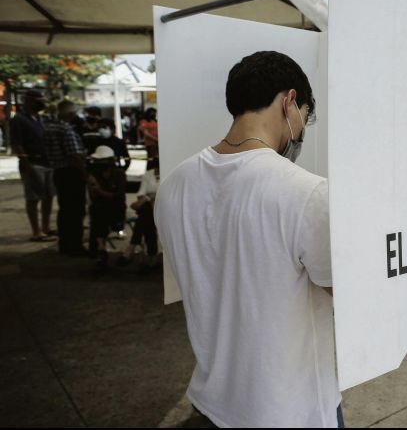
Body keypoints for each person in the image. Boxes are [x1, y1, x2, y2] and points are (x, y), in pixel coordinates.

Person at [154, 51, 340, 427]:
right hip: (290, 410)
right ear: (289, 101)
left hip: (214, 403)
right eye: (306, 115)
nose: (303, 130)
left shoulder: (173, 185)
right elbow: (343, 292)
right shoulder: (307, 193)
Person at [10, 90, 57, 241]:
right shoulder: (19, 119)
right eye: (39, 100)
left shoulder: (39, 119)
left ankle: (46, 227)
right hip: (33, 163)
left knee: (49, 196)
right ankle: (36, 232)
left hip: (47, 162)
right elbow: (17, 145)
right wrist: (29, 167)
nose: (41, 103)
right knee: (33, 198)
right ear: (28, 101)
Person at [44, 100, 88, 256]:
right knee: (76, 210)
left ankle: (65, 244)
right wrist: (85, 175)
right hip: (71, 174)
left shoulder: (49, 127)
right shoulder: (66, 129)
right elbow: (75, 156)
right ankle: (75, 245)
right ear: (71, 113)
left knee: (64, 210)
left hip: (58, 172)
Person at [86, 146, 126, 269]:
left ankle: (100, 248)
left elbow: (118, 196)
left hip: (116, 209)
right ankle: (101, 248)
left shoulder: (119, 174)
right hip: (101, 208)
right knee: (98, 212)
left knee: (100, 212)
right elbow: (93, 196)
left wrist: (101, 192)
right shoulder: (94, 175)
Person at [118, 157, 159, 268]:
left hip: (162, 206)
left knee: (144, 215)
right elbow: (141, 193)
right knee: (146, 215)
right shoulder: (149, 174)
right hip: (149, 207)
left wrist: (152, 198)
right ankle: (152, 254)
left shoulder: (169, 172)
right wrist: (149, 199)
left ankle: (132, 247)